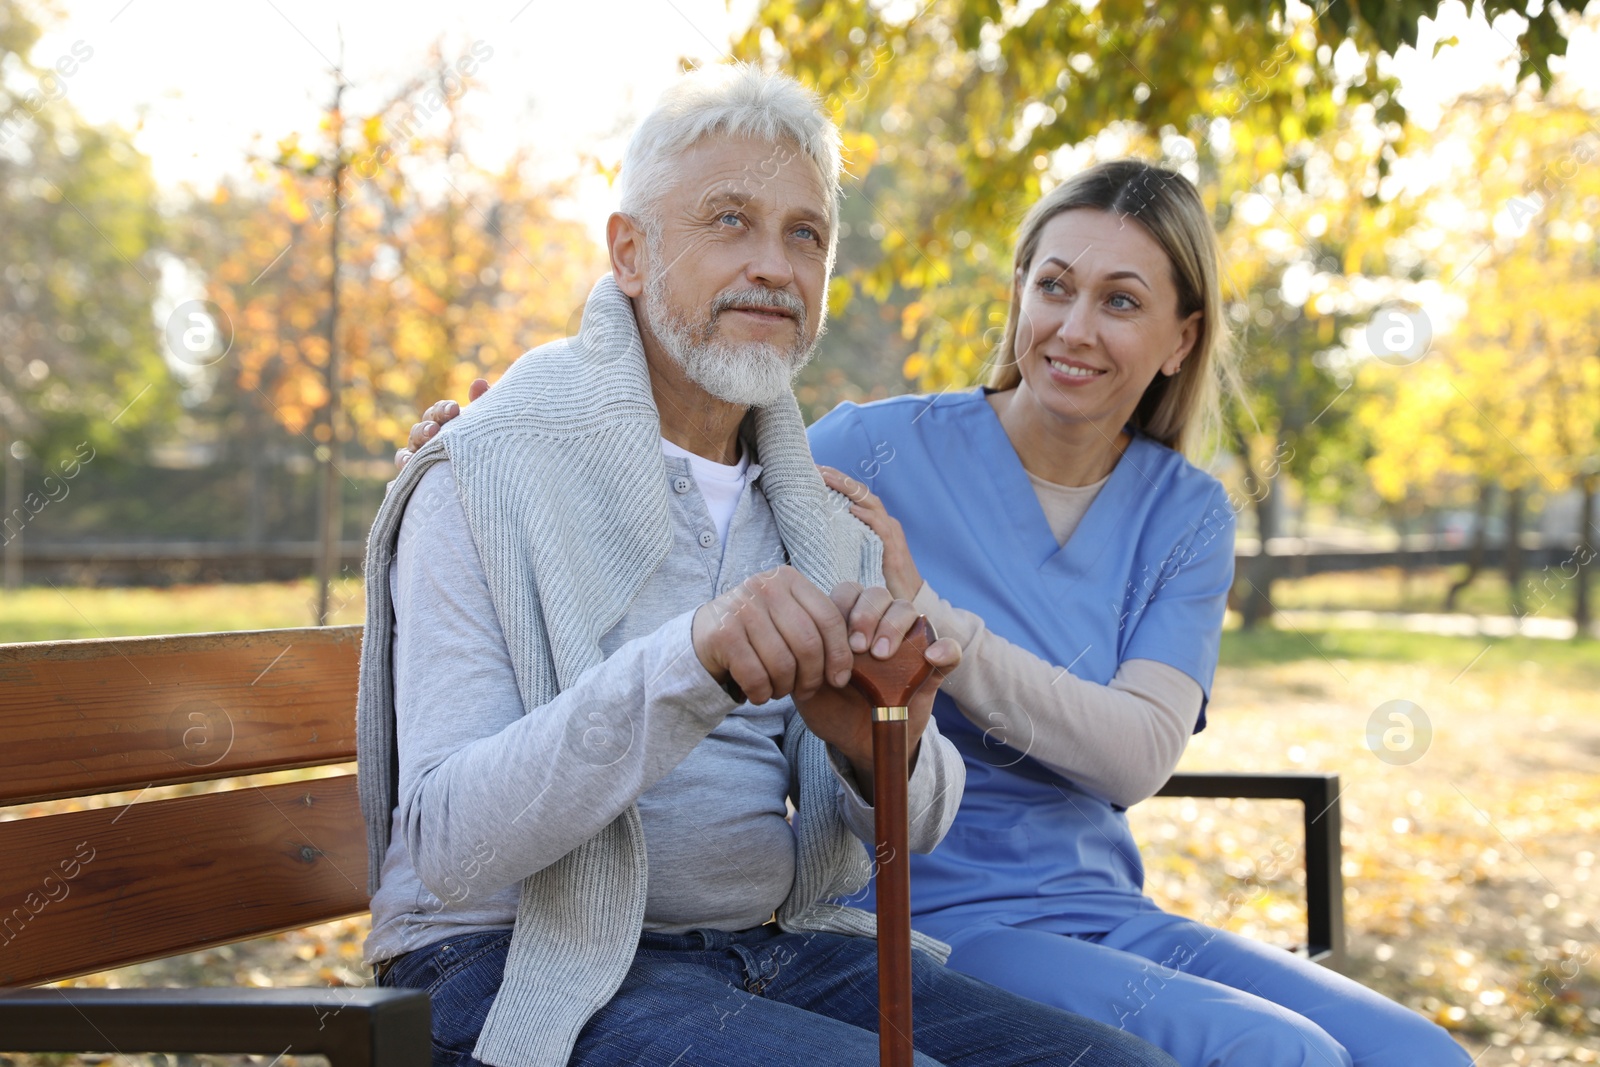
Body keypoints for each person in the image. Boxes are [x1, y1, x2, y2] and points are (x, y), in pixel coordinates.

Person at [404, 158, 1470, 1066]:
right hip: (921, 901)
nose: (1074, 327)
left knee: (1425, 1054)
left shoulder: (1184, 511)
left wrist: (931, 616)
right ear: (1016, 295)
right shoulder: (871, 447)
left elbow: (1134, 755)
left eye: (1121, 300)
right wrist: (498, 431)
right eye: (1052, 286)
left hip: (1101, 903)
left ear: (1181, 339)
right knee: (1282, 1055)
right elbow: (692, 459)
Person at [362, 64, 1177, 1067]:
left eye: (806, 233)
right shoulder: (485, 470)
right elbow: (449, 847)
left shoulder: (816, 510)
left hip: (770, 949)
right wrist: (690, 662)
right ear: (629, 250)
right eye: (729, 220)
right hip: (508, 954)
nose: (776, 265)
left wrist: (884, 738)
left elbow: (919, 815)